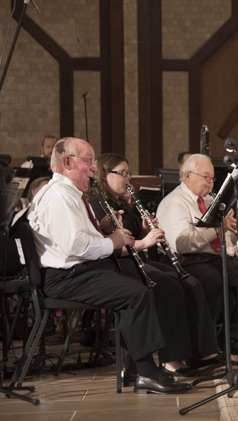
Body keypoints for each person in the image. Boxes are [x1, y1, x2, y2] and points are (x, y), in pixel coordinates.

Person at [27, 137, 191, 394]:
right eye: (88, 161)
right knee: (136, 295)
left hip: (80, 270)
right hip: (67, 277)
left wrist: (100, 229)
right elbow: (74, 247)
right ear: (67, 162)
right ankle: (146, 373)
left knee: (151, 286)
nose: (94, 168)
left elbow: (76, 239)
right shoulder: (59, 196)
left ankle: (133, 370)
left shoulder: (69, 193)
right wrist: (114, 240)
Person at [87, 153, 221, 373]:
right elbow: (108, 248)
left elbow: (131, 237)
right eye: (122, 173)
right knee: (170, 288)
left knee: (191, 283)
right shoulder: (98, 204)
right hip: (117, 264)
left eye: (128, 173)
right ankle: (171, 360)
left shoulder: (122, 203)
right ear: (104, 175)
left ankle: (203, 352)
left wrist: (143, 230)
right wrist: (143, 241)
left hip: (134, 259)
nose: (128, 178)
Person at [156, 154, 238, 354]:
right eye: (206, 177)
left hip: (215, 259)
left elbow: (224, 240)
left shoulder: (210, 200)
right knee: (213, 283)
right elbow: (181, 244)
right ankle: (202, 349)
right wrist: (218, 229)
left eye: (212, 178)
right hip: (186, 260)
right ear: (187, 176)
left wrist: (233, 242)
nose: (210, 183)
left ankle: (230, 340)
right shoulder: (174, 203)